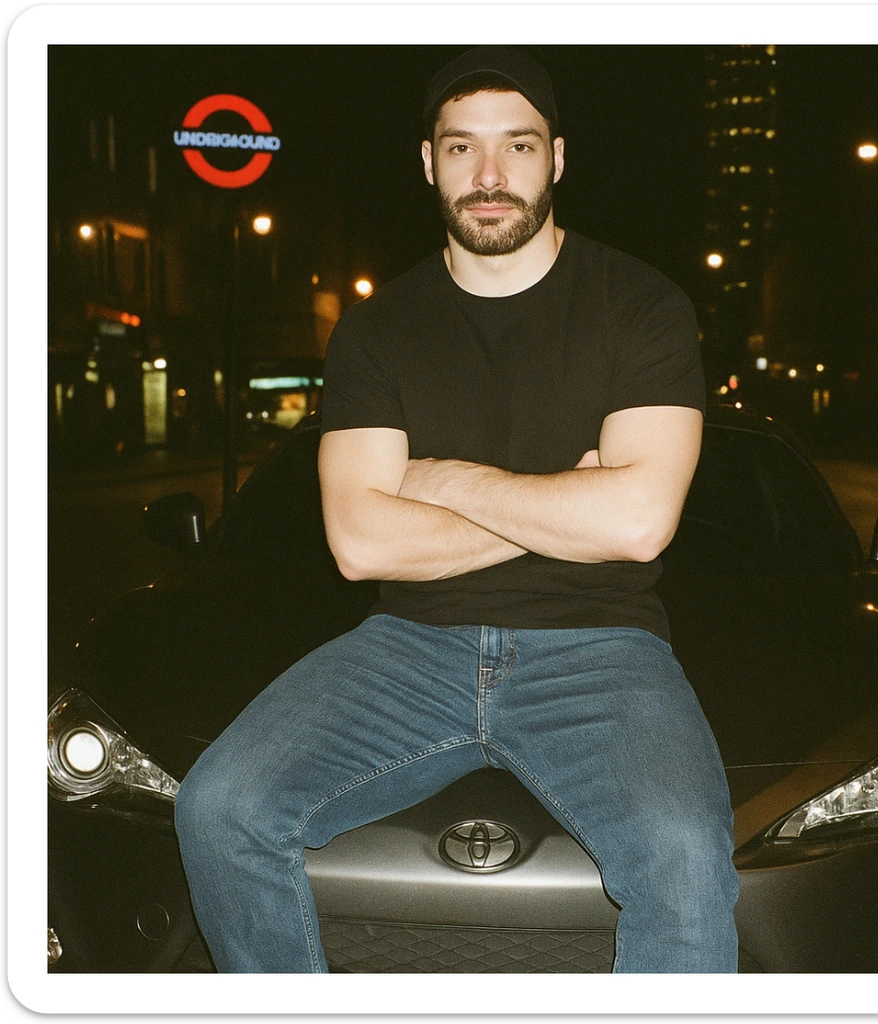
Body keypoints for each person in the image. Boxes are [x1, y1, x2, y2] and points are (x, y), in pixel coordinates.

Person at [175, 46, 739, 974]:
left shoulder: (641, 306)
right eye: (460, 146)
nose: (489, 174)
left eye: (518, 145)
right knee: (219, 808)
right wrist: (568, 499)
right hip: (409, 646)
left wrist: (440, 479)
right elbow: (360, 543)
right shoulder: (376, 330)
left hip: (602, 644)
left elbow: (637, 524)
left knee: (685, 859)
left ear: (557, 158)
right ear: (428, 163)